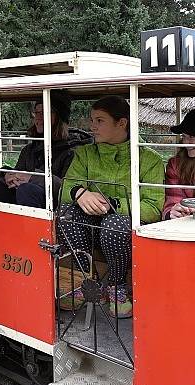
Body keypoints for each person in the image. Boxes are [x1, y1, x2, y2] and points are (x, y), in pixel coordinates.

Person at [58, 95, 165, 318]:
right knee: (65, 216)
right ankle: (88, 281)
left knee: (114, 224)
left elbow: (153, 206)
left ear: (122, 123)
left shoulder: (149, 159)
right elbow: (67, 186)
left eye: (100, 121)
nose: (92, 127)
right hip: (90, 228)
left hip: (125, 232)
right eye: (92, 120)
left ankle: (117, 288)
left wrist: (114, 205)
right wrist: (79, 193)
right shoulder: (85, 154)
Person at [0, 90, 92, 208]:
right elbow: (18, 172)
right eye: (36, 113)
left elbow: (69, 188)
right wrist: (8, 175)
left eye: (45, 112)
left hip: (55, 205)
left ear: (60, 117)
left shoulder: (74, 151)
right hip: (23, 196)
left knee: (26, 190)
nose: (38, 118)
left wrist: (32, 178)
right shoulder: (29, 150)